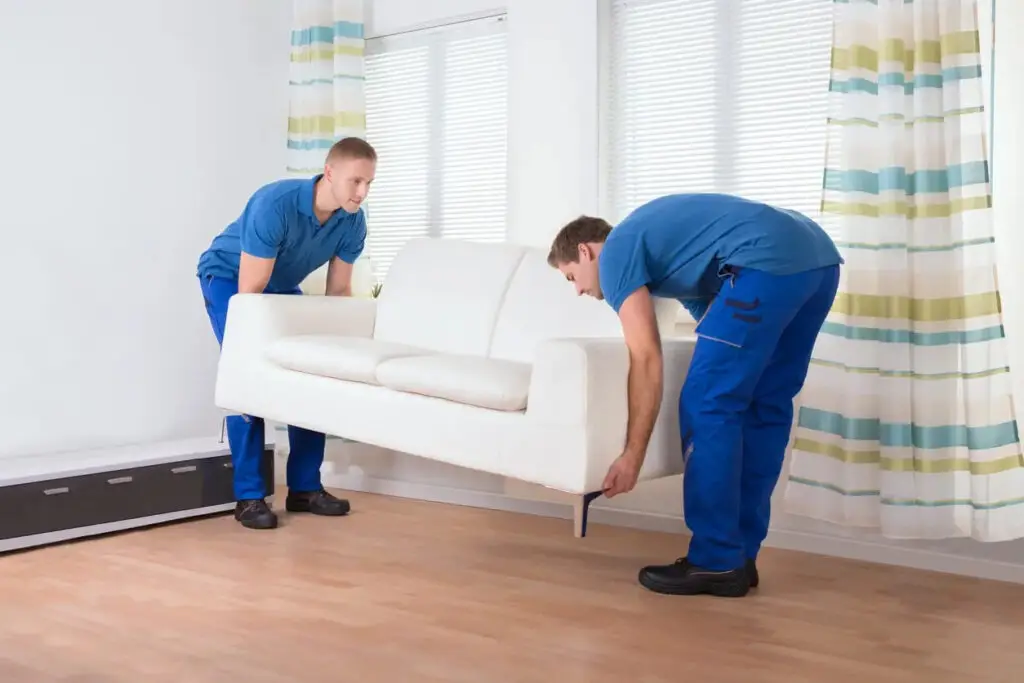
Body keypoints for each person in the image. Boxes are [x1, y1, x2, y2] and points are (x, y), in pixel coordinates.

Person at [547, 193, 842, 597]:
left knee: (707, 402)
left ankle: (716, 559)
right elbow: (722, 327)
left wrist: (632, 455)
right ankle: (739, 556)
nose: (578, 291)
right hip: (818, 262)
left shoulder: (616, 252)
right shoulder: (677, 260)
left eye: (570, 276)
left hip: (766, 261)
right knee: (763, 404)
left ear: (585, 250)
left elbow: (646, 358)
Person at [196, 137, 377, 530]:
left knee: (308, 372)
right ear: (329, 173)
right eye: (355, 181)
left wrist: (336, 351)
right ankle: (248, 497)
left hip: (275, 284)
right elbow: (250, 294)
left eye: (369, 184)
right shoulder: (274, 204)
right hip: (231, 279)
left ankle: (305, 489)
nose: (362, 193)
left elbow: (339, 293)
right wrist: (253, 349)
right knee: (247, 374)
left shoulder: (353, 221)